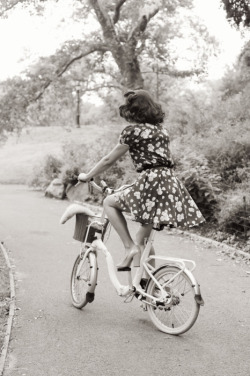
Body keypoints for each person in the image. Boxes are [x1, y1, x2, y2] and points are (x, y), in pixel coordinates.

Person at [78, 90, 205, 271]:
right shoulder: (162, 131)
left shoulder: (132, 132)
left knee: (109, 202)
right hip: (169, 183)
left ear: (134, 111)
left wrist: (88, 175)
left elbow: (108, 160)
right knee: (144, 239)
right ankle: (150, 286)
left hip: (151, 182)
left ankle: (129, 247)